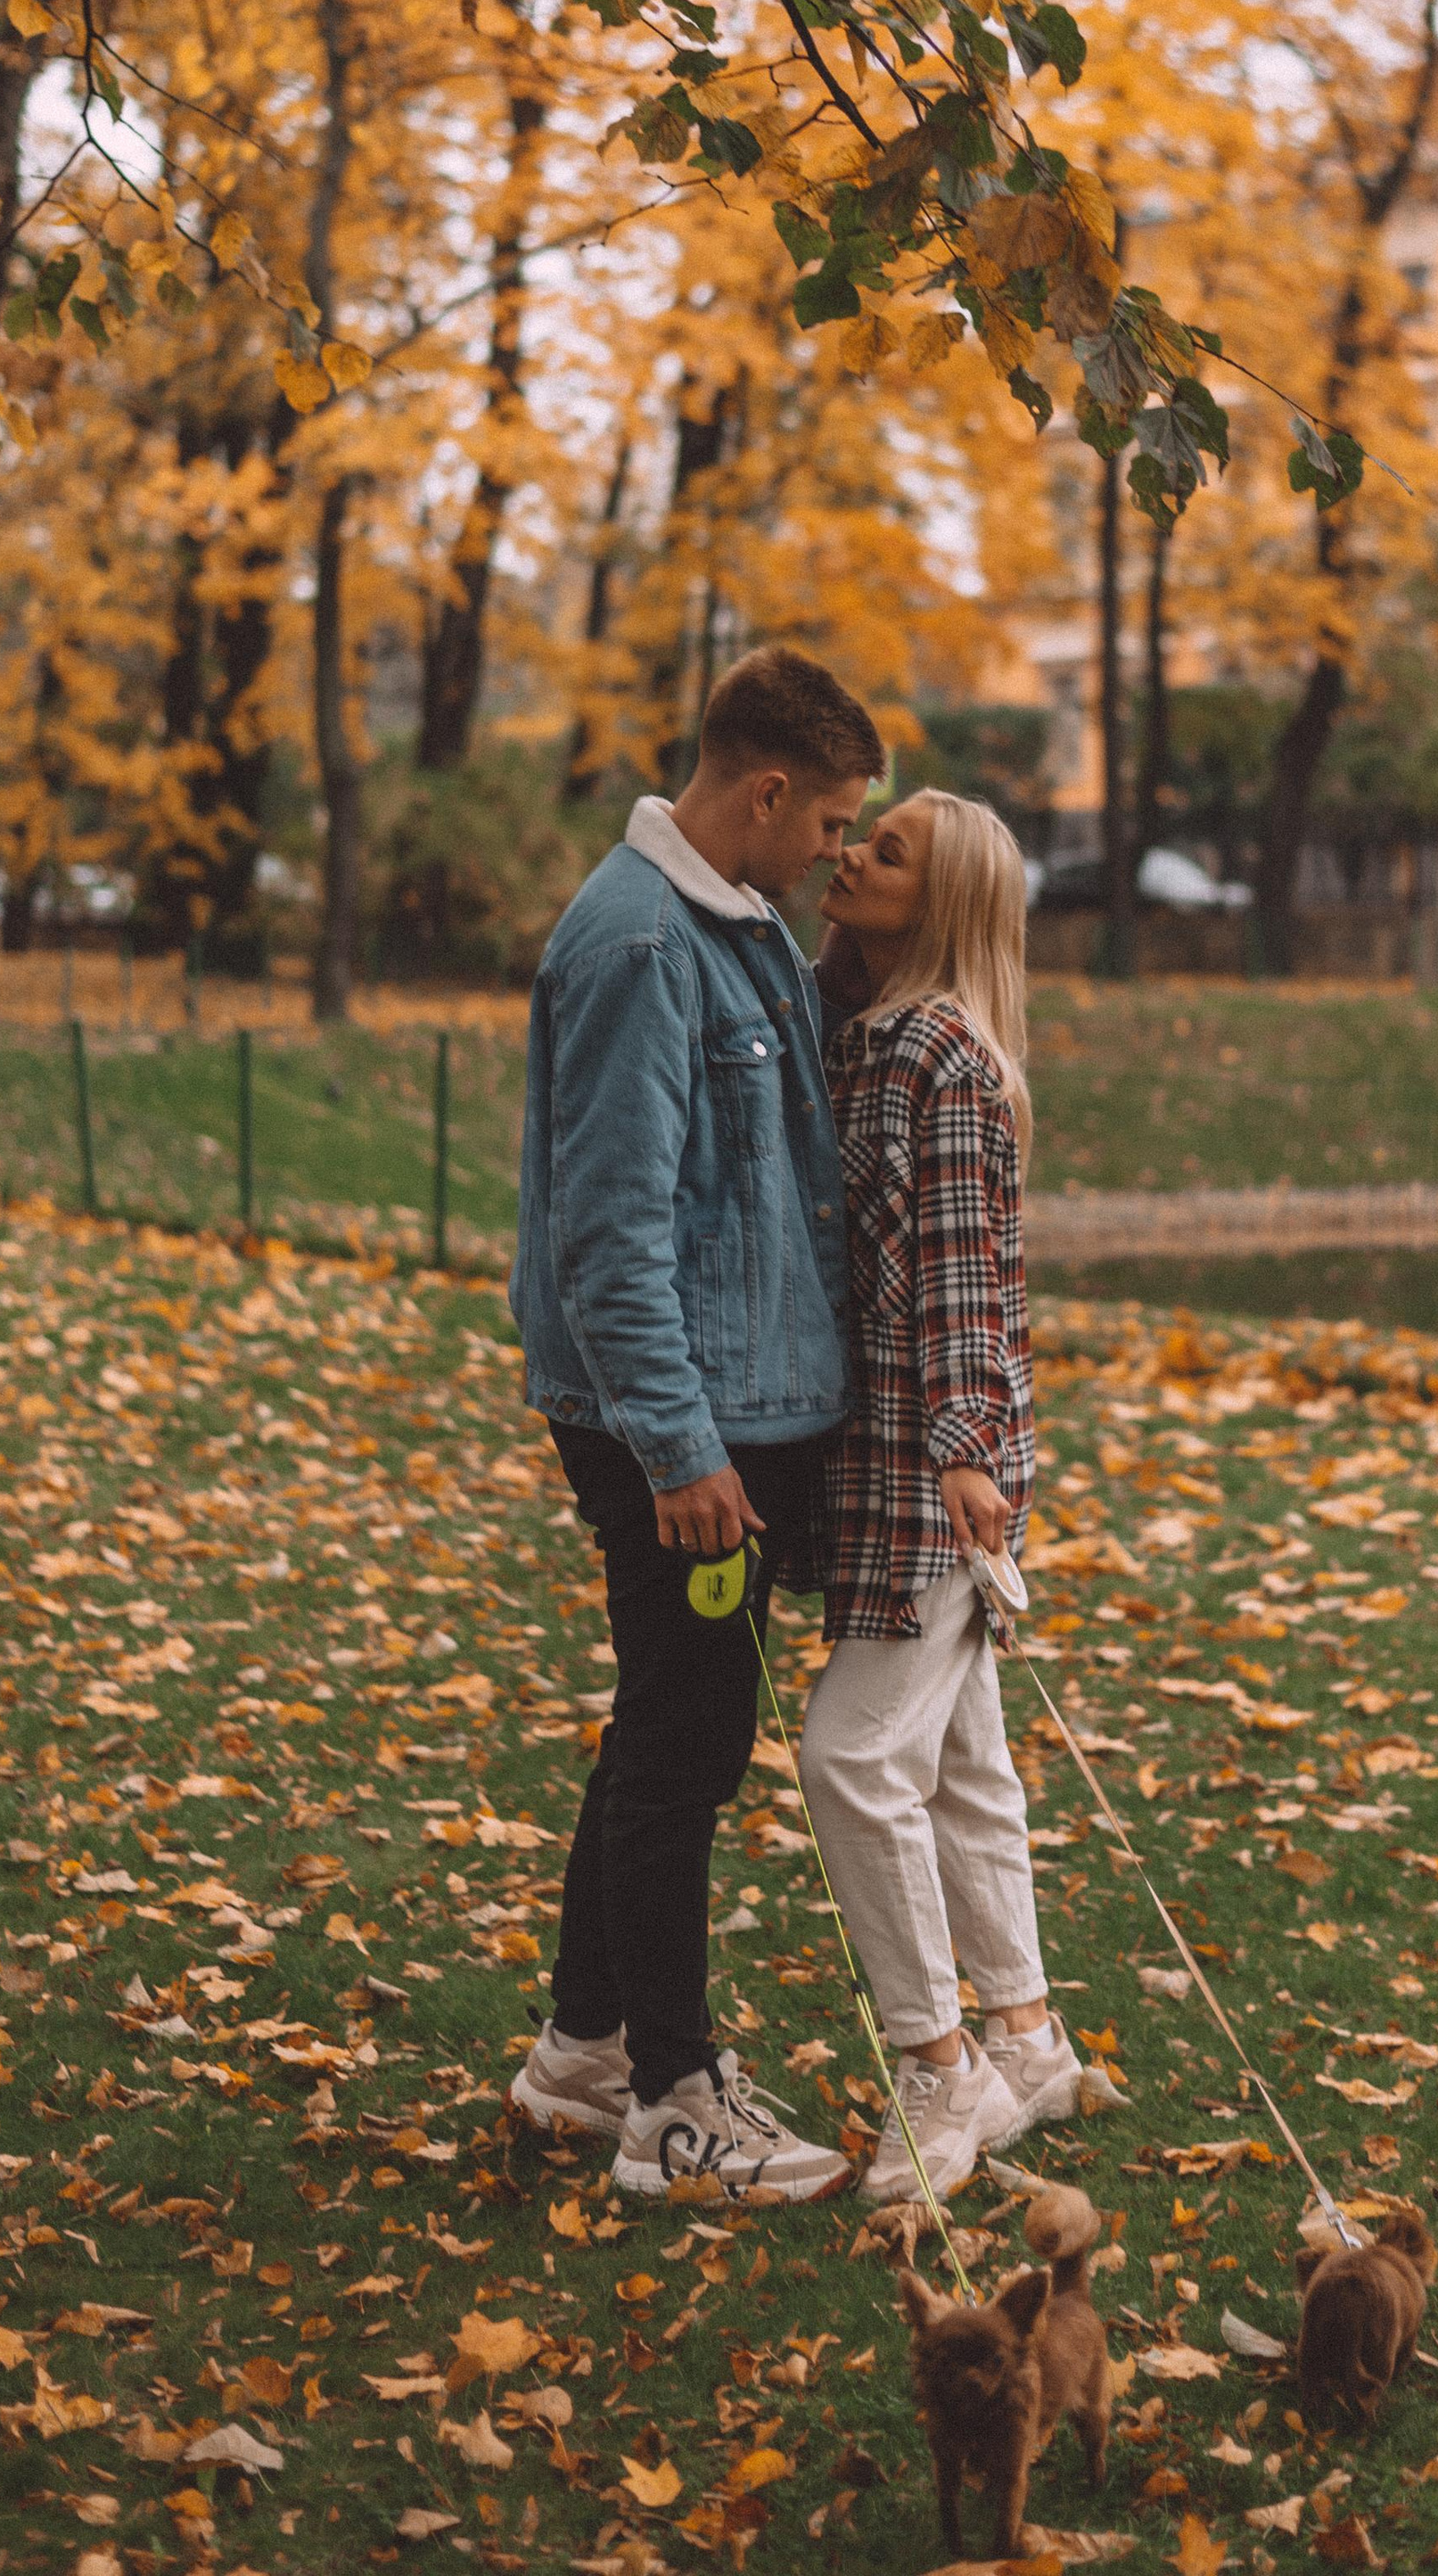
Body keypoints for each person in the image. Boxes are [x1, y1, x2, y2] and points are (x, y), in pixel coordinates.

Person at [507, 647, 885, 2199]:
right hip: (676, 1427)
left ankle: (584, 2047)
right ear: (766, 789)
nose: (840, 851)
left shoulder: (737, 930)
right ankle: (671, 2100)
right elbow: (609, 1231)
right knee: (689, 1737)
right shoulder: (646, 945)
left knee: (666, 1718)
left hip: (722, 1414)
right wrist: (681, 1448)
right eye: (833, 820)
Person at [797, 789, 1082, 2202]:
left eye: (886, 849)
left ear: (947, 900)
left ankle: (937, 2060)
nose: (849, 853)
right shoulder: (867, 1031)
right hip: (889, 1464)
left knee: (852, 1755)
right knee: (966, 1764)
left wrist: (969, 1442)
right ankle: (1027, 2036)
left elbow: (968, 1265)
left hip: (930, 1475)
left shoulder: (941, 1056)